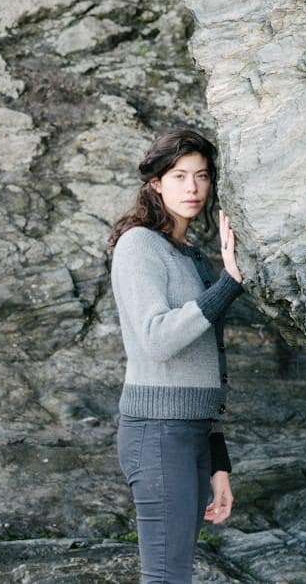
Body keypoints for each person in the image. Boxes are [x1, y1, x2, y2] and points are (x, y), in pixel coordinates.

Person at [108, 129, 245, 583]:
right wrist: (229, 284)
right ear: (156, 183)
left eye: (201, 176)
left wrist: (218, 460)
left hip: (192, 433)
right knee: (166, 576)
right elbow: (157, 339)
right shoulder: (138, 245)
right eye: (179, 176)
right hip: (157, 434)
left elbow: (207, 362)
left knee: (175, 574)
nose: (192, 188)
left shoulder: (191, 255)